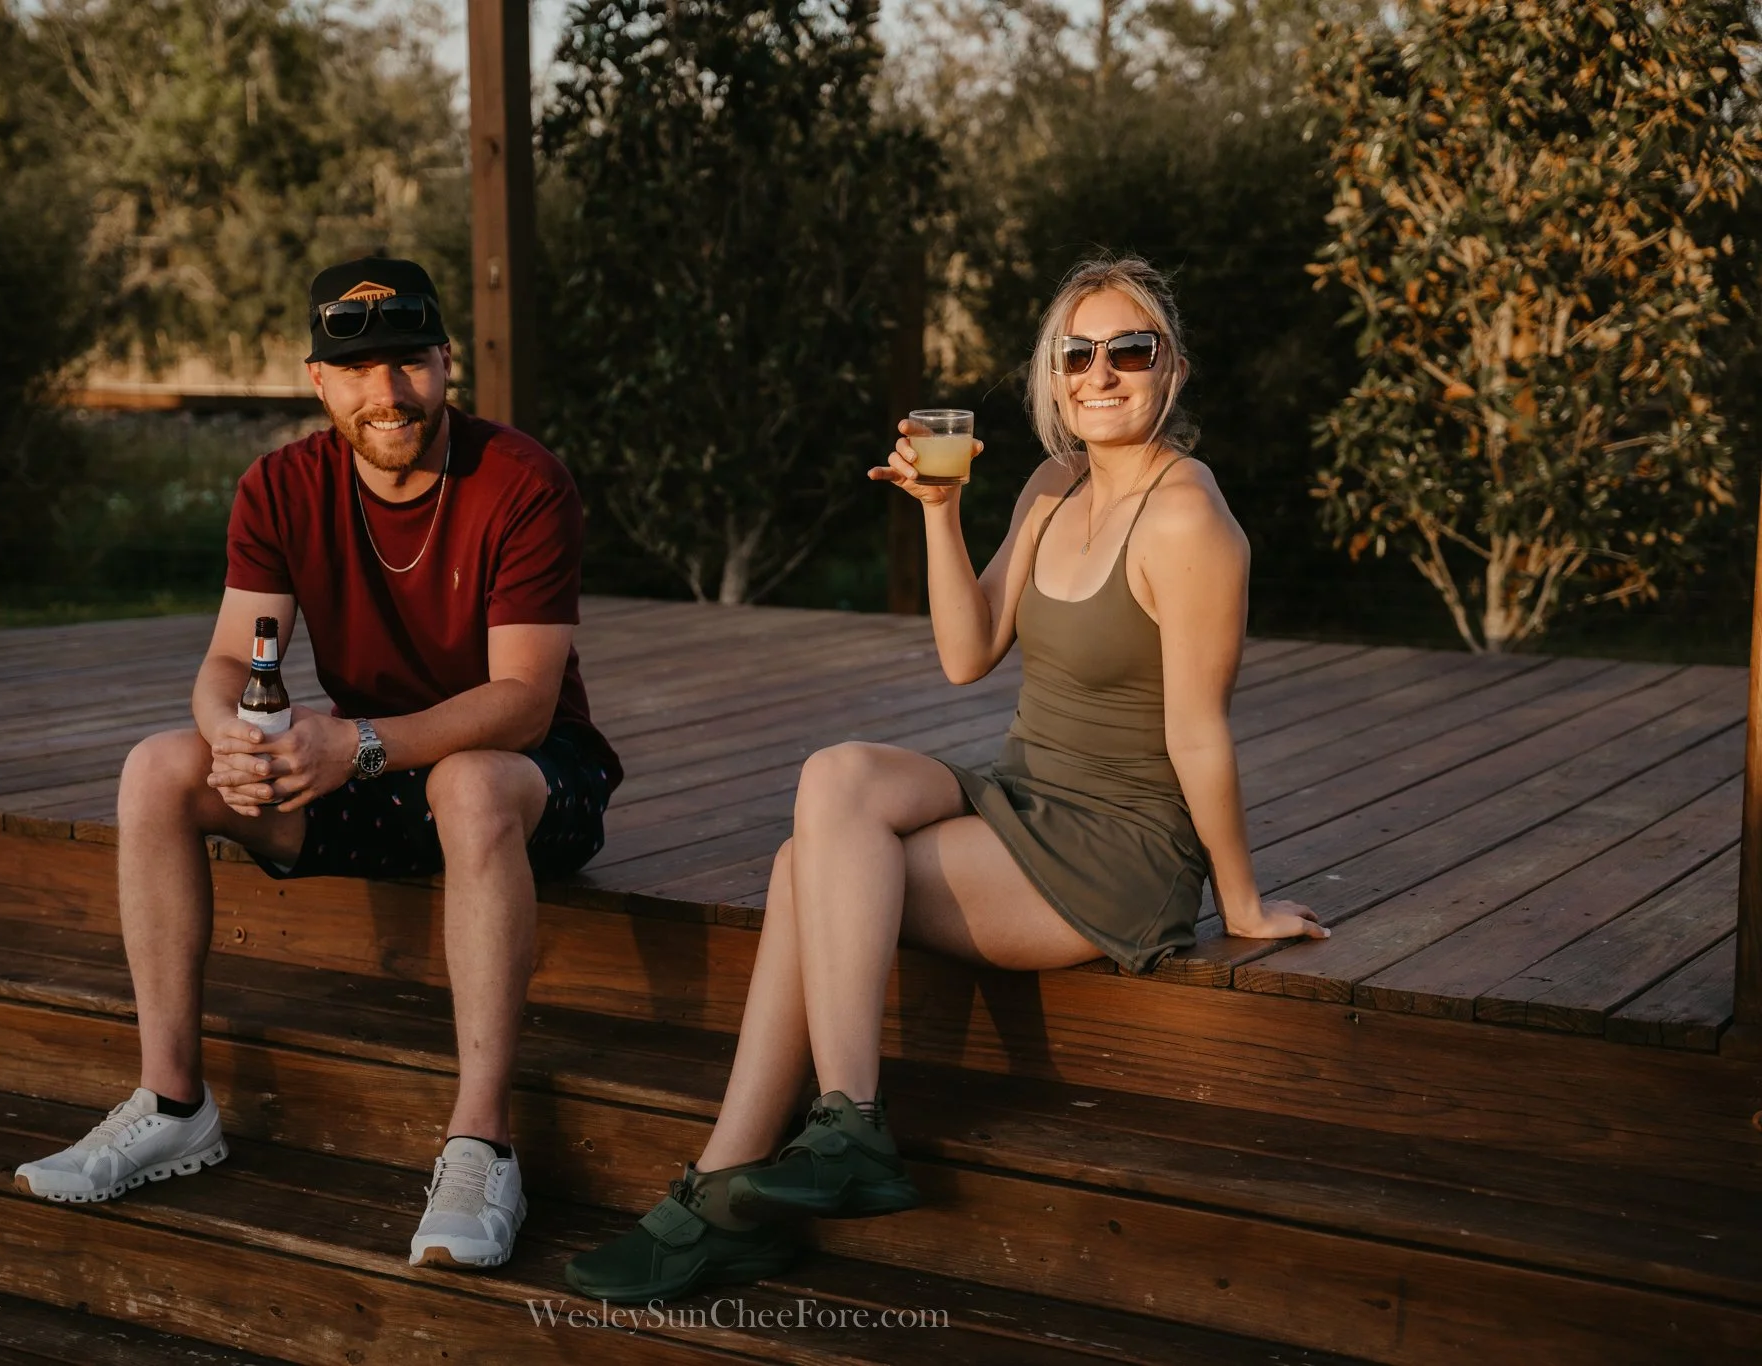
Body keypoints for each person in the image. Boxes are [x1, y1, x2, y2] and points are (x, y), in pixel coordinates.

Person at [563, 256, 1325, 1303]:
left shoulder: (1188, 519)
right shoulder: (1051, 485)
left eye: (1129, 351)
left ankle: (737, 1182)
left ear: (1174, 371)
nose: (1101, 374)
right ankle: (814, 1139)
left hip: (1115, 846)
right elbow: (967, 655)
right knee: (835, 781)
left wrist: (1236, 900)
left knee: (805, 871)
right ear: (1053, 378)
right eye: (1077, 353)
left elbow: (1197, 729)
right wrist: (935, 509)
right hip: (1022, 792)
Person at [14, 257, 622, 1273]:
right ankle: (172, 1103)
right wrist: (233, 741)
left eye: (409, 364)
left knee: (466, 780)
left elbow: (521, 701)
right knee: (159, 767)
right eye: (358, 370)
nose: (386, 394)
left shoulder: (520, 479)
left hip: (528, 778)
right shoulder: (281, 484)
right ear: (317, 380)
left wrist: (357, 744)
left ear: (443, 365)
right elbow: (225, 659)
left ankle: (481, 1143)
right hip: (369, 770)